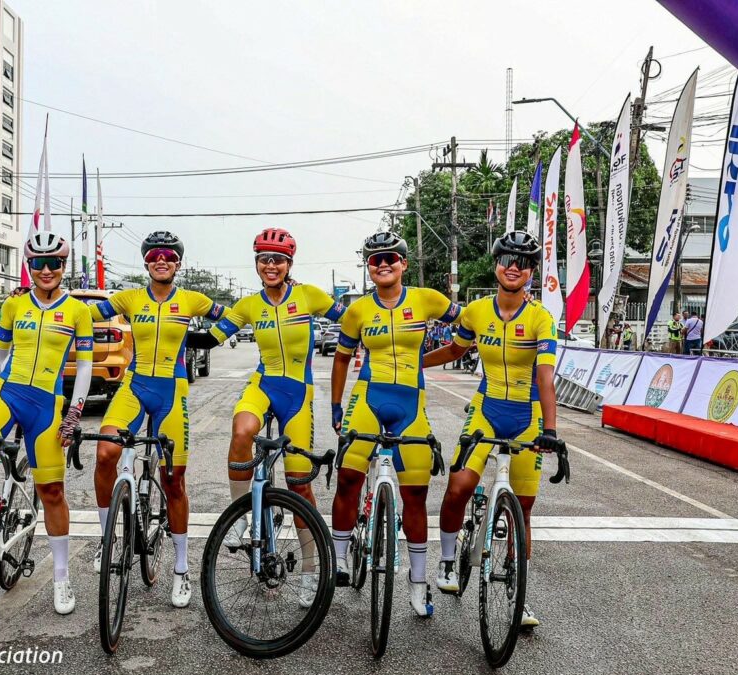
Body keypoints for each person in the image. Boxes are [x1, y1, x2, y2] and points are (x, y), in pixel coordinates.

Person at [189, 228, 346, 609]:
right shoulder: (248, 305)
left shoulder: (310, 295)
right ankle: (241, 519)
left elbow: (353, 319)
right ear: (256, 263)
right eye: (264, 258)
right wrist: (169, 332)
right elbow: (210, 339)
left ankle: (311, 570)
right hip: (264, 383)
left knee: (299, 486)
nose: (270, 265)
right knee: (242, 428)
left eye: (278, 259)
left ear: (289, 263)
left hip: (298, 393)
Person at [420, 231, 560, 629]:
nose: (513, 266)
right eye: (507, 260)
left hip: (527, 415)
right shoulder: (477, 311)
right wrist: (416, 363)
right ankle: (447, 561)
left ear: (531, 271)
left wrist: (549, 430)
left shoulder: (540, 318)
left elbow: (546, 377)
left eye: (523, 262)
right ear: (496, 265)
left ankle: (520, 595)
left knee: (525, 510)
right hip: (486, 408)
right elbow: (455, 350)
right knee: (460, 485)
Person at [89, 231, 226, 608]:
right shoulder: (130, 298)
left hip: (173, 390)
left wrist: (206, 341)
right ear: (146, 262)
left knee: (174, 479)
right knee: (104, 455)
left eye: (168, 255)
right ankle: (108, 541)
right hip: (135, 386)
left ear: (178, 262)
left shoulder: (192, 299)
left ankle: (181, 571)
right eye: (153, 256)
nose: (160, 260)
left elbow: (233, 316)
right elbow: (83, 313)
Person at [0, 232, 93, 616]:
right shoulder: (14, 305)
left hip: (47, 405)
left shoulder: (78, 312)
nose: (47, 270)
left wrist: (74, 412)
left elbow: (84, 366)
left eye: (54, 263)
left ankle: (62, 577)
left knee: (51, 492)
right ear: (29, 267)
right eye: (39, 263)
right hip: (8, 393)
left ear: (64, 267)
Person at [330, 231, 462, 617]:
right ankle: (338, 558)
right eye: (375, 259)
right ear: (368, 267)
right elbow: (341, 358)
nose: (383, 263)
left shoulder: (427, 299)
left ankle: (418, 584)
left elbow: (469, 324)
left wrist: (438, 356)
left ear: (404, 263)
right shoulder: (356, 310)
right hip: (367, 398)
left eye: (391, 257)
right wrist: (336, 405)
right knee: (349, 478)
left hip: (411, 402)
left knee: (416, 496)